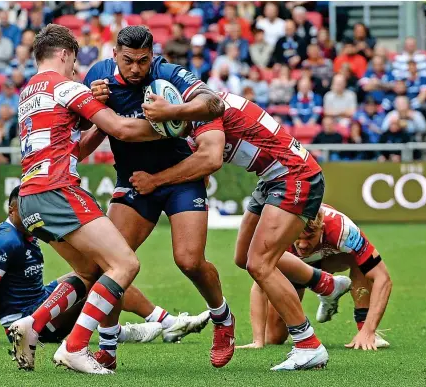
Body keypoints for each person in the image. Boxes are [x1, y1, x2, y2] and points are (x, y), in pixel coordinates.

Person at [7, 24, 196, 375]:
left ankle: (32, 324)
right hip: (58, 190)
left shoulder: (27, 93)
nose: (76, 70)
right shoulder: (65, 86)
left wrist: (93, 109)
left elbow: (78, 141)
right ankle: (75, 347)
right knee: (124, 265)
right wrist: (175, 124)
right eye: (74, 62)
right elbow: (121, 129)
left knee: (88, 270)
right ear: (64, 55)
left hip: (29, 197)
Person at [130, 90, 331, 370]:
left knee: (261, 264)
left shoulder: (203, 111)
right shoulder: (200, 103)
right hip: (272, 177)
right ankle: (325, 284)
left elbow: (210, 161)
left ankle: (308, 344)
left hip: (293, 175)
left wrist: (155, 181)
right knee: (243, 258)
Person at [84, 26, 236, 370]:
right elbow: (79, 122)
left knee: (189, 261)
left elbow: (213, 103)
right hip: (134, 182)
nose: (136, 68)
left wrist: (172, 112)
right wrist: (90, 102)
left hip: (180, 178)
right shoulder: (98, 77)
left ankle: (222, 319)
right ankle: (107, 349)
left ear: (153, 55)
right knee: (108, 265)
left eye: (143, 60)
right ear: (114, 55)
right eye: (127, 61)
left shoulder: (167, 73)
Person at [0, 186, 207, 347]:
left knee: (98, 271)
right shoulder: (6, 240)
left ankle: (157, 323)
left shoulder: (28, 232)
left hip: (40, 299)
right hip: (29, 319)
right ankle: (134, 330)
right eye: (26, 211)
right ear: (13, 210)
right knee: (103, 275)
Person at [240, 204, 392, 350]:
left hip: (332, 260)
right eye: (298, 237)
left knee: (361, 260)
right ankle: (329, 287)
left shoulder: (343, 230)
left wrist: (368, 330)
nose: (303, 245)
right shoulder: (278, 234)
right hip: (295, 268)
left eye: (310, 237)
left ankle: (362, 325)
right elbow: (259, 285)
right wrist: (257, 340)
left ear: (322, 229)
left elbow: (382, 278)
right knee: (274, 337)